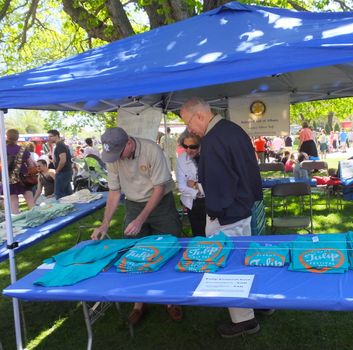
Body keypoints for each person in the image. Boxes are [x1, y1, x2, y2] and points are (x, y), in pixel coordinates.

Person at [180, 97, 265, 338]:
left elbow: (218, 186)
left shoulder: (214, 139)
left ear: (199, 115)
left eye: (189, 123)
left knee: (229, 267)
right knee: (245, 259)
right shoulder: (233, 129)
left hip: (227, 215)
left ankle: (244, 320)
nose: (190, 130)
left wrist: (215, 214)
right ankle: (258, 302)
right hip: (242, 208)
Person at [91, 127, 182, 325]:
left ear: (129, 143)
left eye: (118, 153)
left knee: (169, 247)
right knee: (133, 252)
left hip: (161, 203)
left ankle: (170, 300)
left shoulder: (151, 150)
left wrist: (141, 219)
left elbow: (159, 188)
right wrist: (105, 224)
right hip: (133, 203)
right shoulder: (113, 157)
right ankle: (139, 303)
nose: (116, 158)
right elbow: (114, 192)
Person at [176, 130, 206, 236]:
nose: (188, 150)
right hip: (192, 203)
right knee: (198, 235)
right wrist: (198, 191)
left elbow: (214, 185)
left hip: (210, 202)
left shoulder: (209, 157)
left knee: (213, 236)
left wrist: (194, 185)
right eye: (185, 146)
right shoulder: (181, 159)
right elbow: (181, 187)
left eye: (192, 147)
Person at [0, 129, 36, 213]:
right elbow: (30, 164)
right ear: (17, 137)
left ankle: (16, 221)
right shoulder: (23, 149)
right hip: (24, 178)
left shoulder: (2, 150)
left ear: (7, 136)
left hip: (9, 178)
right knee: (30, 200)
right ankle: (36, 217)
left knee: (13, 203)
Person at [47, 129, 73, 199]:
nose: (49, 138)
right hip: (65, 171)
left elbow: (63, 160)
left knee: (59, 195)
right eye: (48, 137)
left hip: (63, 172)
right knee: (68, 194)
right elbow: (60, 160)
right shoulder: (59, 145)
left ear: (57, 136)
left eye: (51, 136)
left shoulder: (60, 145)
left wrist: (57, 170)